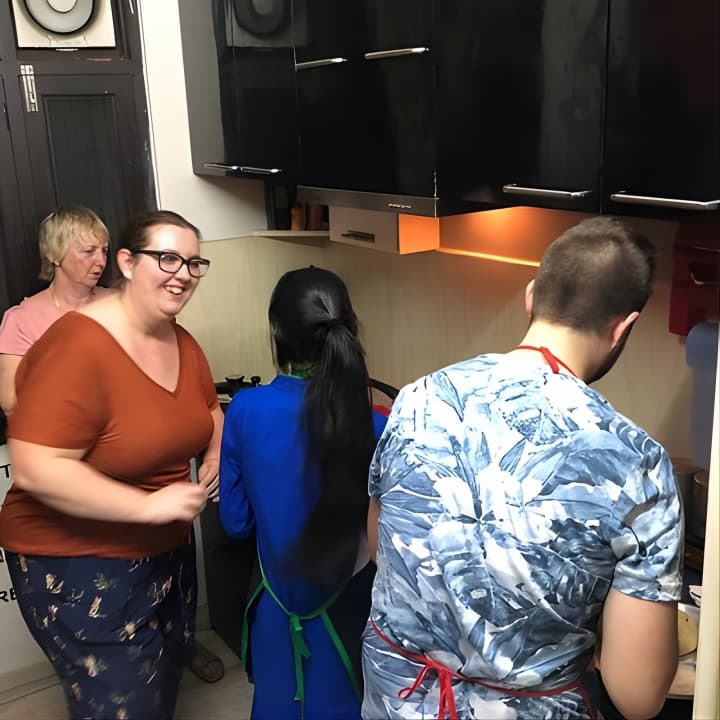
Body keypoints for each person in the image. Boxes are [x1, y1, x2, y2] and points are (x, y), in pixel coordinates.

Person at [363, 217, 683, 720]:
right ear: (624, 327)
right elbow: (637, 697)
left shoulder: (420, 397)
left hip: (395, 701)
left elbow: (383, 548)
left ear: (531, 296)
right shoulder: (636, 465)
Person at [0, 210, 224, 719]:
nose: (183, 273)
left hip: (163, 551)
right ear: (127, 262)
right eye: (166, 258)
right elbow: (36, 467)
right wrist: (147, 506)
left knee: (161, 683)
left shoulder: (180, 340)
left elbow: (209, 410)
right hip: (78, 559)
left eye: (193, 263)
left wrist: (213, 452)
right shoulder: (78, 344)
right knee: (126, 704)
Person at [219, 266, 389, 720]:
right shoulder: (378, 425)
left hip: (275, 612)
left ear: (277, 335)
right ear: (349, 330)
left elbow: (235, 522)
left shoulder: (246, 410)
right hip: (349, 619)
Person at [0, 206, 111, 415]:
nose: (101, 261)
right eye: (89, 251)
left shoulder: (119, 303)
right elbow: (11, 402)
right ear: (54, 254)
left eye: (104, 251)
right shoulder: (21, 320)